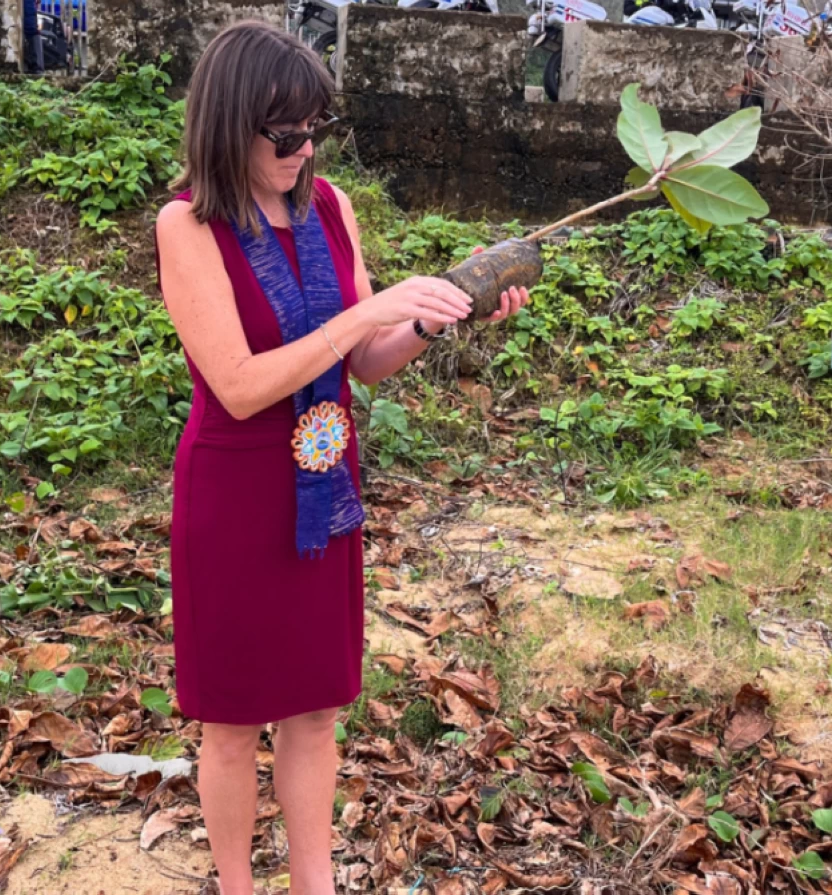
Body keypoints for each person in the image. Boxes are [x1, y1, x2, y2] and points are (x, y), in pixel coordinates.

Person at [154, 20, 528, 895]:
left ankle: (315, 885)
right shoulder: (189, 226)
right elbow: (241, 384)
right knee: (233, 720)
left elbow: (364, 362)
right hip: (236, 491)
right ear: (228, 123)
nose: (303, 148)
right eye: (282, 134)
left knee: (316, 708)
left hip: (320, 485)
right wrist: (364, 315)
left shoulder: (329, 209)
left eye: (314, 128)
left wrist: (436, 316)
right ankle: (239, 885)